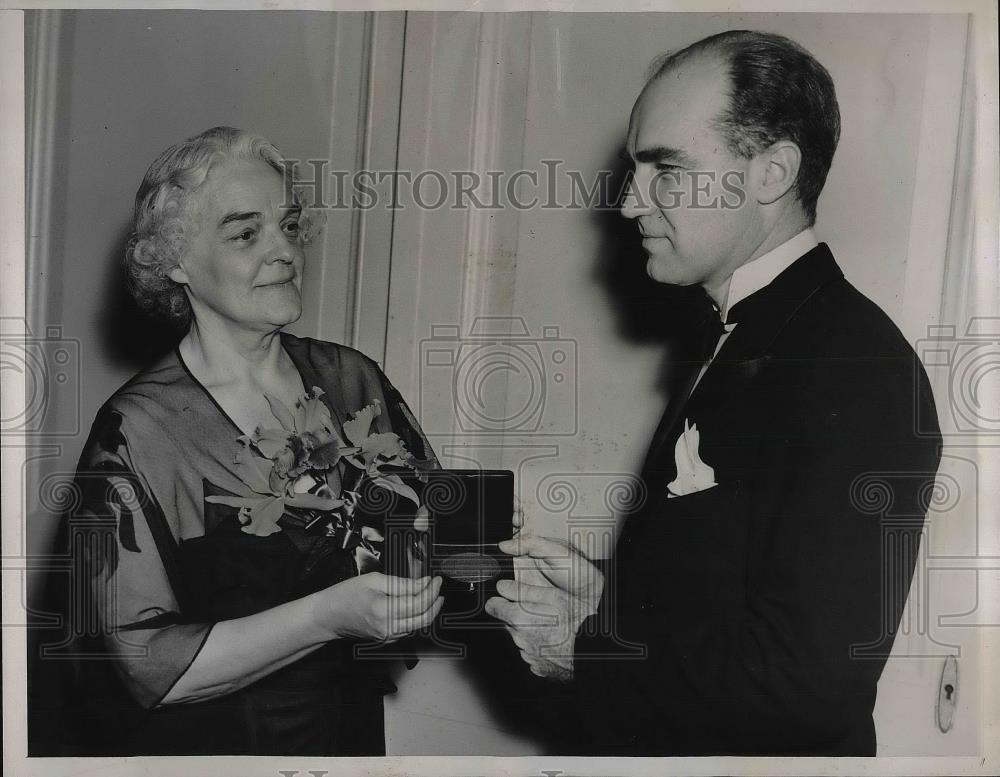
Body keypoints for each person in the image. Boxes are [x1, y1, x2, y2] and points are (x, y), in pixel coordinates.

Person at [486, 30, 942, 756]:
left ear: (772, 173)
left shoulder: (856, 367)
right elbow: (731, 596)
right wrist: (605, 603)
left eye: (665, 168)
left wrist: (585, 653)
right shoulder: (744, 334)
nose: (631, 202)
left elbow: (810, 684)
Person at [54, 127, 443, 756]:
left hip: (348, 737)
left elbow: (427, 522)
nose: (284, 252)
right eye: (245, 234)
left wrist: (474, 544)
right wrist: (327, 616)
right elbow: (147, 665)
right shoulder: (139, 432)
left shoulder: (352, 378)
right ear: (174, 261)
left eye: (289, 227)